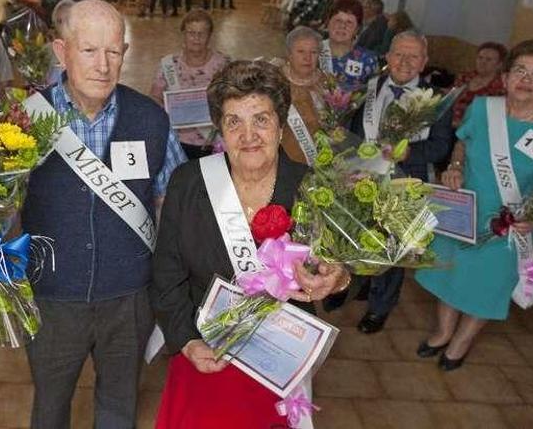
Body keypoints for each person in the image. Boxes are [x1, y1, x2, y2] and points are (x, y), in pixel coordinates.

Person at [0, 0, 187, 428]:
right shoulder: (23, 122)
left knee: (119, 406)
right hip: (52, 298)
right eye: (89, 50)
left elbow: (179, 205)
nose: (103, 65)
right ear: (60, 51)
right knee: (50, 406)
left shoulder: (151, 119)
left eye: (114, 51)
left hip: (129, 299)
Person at [151, 60, 355, 428]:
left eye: (260, 119)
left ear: (280, 127)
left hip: (278, 362)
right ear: (221, 130)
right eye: (234, 122)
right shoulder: (188, 183)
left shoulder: (311, 189)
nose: (248, 135)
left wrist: (338, 276)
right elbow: (166, 274)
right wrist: (187, 341)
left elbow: (343, 267)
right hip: (205, 353)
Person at [416, 39, 533, 370]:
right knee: (449, 275)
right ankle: (443, 331)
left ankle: (461, 341)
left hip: (511, 225)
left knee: (488, 285)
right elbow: (463, 143)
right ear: (505, 77)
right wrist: (454, 167)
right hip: (464, 211)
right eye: (520, 70)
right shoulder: (483, 108)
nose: (527, 78)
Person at [348, 30, 454, 334]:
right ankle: (363, 283)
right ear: (388, 56)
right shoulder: (369, 89)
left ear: (424, 62)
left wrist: (409, 153)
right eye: (398, 54)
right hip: (364, 177)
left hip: (406, 182)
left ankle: (380, 306)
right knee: (361, 234)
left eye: (413, 56)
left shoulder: (436, 100)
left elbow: (441, 146)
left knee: (393, 247)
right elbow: (354, 132)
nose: (404, 61)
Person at [150, 10, 231, 159]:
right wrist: (167, 113)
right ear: (183, 34)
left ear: (210, 35)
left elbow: (233, 100)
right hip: (176, 142)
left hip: (213, 142)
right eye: (191, 33)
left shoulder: (223, 64)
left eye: (202, 33)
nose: (196, 38)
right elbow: (155, 98)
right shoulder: (168, 64)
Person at [278, 26, 326, 165]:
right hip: (281, 159)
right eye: (300, 51)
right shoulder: (274, 81)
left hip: (319, 159)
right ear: (289, 54)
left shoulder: (328, 83)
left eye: (313, 52)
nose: (307, 58)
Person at [318, 0, 379, 92]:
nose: (342, 26)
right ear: (328, 22)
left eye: (349, 22)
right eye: (338, 21)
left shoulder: (368, 60)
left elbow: (371, 98)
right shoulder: (312, 52)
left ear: (357, 29)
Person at [450, 42, 508, 127]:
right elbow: (450, 99)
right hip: (448, 125)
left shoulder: (501, 86)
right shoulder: (464, 78)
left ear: (499, 64)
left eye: (489, 59)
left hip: (475, 129)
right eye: (480, 58)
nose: (483, 62)